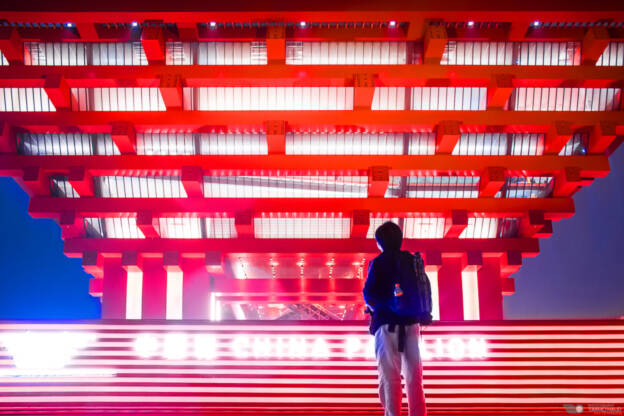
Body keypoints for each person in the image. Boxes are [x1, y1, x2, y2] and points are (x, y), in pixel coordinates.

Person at [363, 221, 430, 416]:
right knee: (414, 377)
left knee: (389, 376)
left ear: (380, 242)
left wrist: (379, 308)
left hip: (386, 325)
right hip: (411, 324)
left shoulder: (378, 262)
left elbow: (369, 294)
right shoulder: (412, 260)